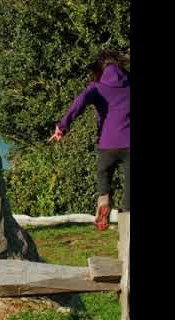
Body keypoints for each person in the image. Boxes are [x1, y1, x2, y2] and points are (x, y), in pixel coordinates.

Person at [49, 50, 130, 231]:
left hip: (107, 145)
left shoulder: (96, 88)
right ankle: (127, 222)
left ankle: (104, 199)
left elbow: (79, 102)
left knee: (104, 175)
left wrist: (62, 127)